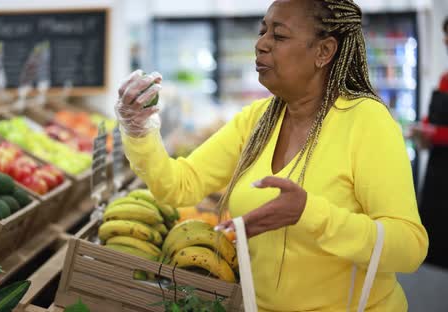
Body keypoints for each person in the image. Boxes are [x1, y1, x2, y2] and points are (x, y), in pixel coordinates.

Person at [115, 0, 428, 311]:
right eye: (262, 32)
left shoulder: (366, 121)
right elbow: (180, 184)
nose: (261, 44)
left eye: (279, 36)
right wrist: (139, 130)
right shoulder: (258, 119)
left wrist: (310, 214)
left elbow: (409, 247)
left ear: (324, 51)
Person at [410, 16, 448, 270]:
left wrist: (432, 133)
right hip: (438, 169)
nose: (444, 39)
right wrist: (420, 128)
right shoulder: (445, 78)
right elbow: (434, 117)